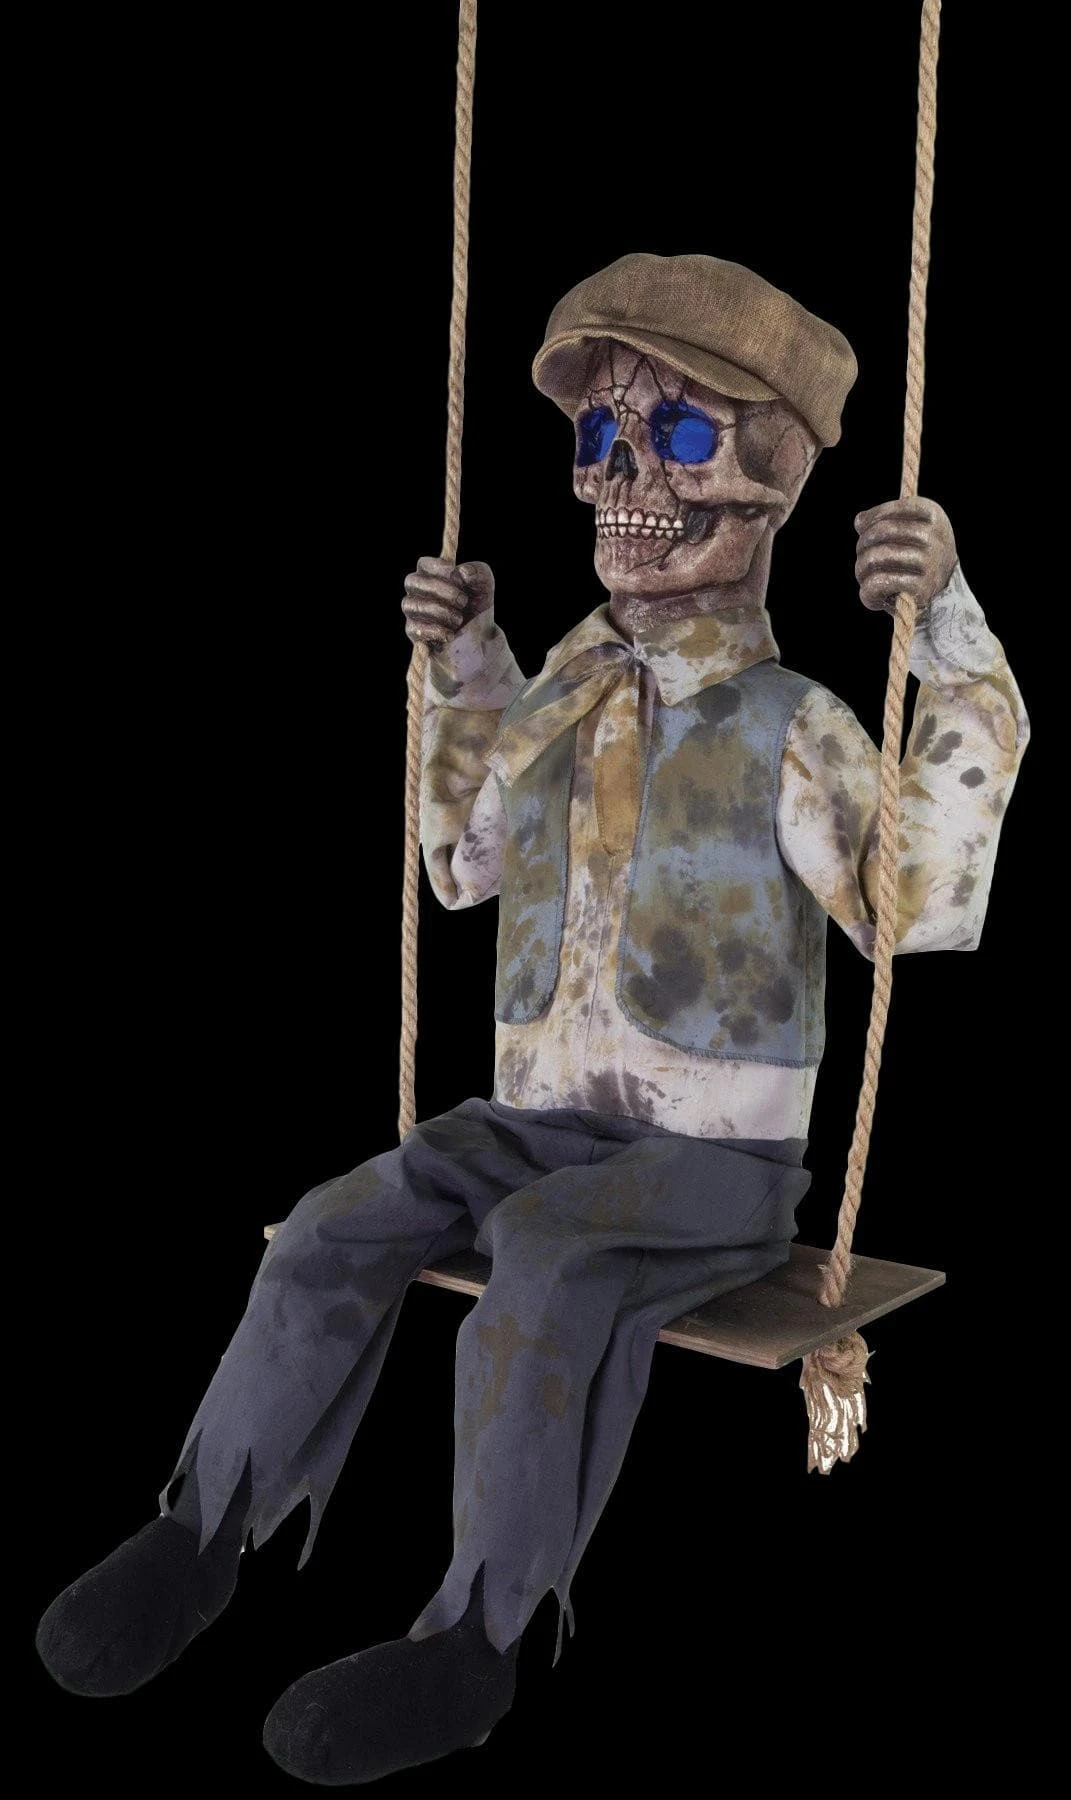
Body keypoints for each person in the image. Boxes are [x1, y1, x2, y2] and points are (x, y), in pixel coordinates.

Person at [35, 253, 1029, 1787]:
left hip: (708, 1164)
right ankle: (199, 1531)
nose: (622, 481)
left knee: (552, 1261)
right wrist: (466, 662)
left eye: (678, 438)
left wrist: (945, 623)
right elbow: (459, 865)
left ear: (770, 481)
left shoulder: (793, 727)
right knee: (333, 1221)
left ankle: (473, 1638)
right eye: (599, 439)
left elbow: (916, 909)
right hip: (531, 1123)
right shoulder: (560, 693)